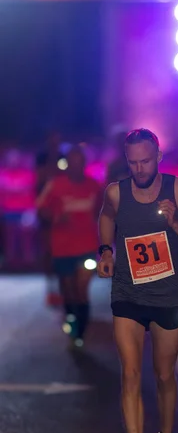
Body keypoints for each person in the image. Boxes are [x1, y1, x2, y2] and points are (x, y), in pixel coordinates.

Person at [97, 128, 178, 433]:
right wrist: (107, 250)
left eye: (146, 160)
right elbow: (106, 216)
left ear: (159, 156)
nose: (140, 168)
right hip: (128, 294)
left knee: (163, 376)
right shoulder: (117, 191)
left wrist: (175, 223)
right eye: (133, 162)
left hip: (167, 298)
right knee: (129, 374)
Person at [36, 145, 102, 350]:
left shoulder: (94, 187)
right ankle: (72, 323)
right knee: (68, 290)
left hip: (87, 247)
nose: (76, 167)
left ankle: (80, 331)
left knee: (82, 289)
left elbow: (105, 213)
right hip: (62, 248)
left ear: (84, 164)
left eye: (79, 163)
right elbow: (40, 210)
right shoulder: (55, 185)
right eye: (72, 163)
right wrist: (56, 218)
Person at [36, 131, 65, 306]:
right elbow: (39, 179)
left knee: (61, 250)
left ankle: (63, 288)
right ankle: (51, 289)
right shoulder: (41, 157)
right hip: (46, 210)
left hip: (60, 208)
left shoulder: (62, 156)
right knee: (48, 250)